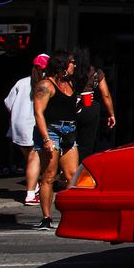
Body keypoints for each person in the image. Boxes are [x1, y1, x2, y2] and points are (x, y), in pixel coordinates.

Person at [30, 52, 80, 231]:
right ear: (62, 65)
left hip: (69, 130)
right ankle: (46, 217)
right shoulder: (45, 85)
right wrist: (46, 139)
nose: (74, 65)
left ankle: (72, 215)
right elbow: (38, 113)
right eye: (71, 63)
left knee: (72, 174)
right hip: (51, 131)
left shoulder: (70, 83)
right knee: (50, 175)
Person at [0, 45, 34, 177]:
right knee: (2, 135)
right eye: (10, 42)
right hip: (0, 105)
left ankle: (18, 163)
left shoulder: (24, 63)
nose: (12, 45)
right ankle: (4, 164)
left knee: (20, 136)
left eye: (14, 42)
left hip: (20, 106)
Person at [5, 54, 45, 205]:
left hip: (18, 125)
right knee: (34, 159)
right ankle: (30, 193)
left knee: (30, 158)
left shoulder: (21, 82)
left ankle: (34, 188)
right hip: (33, 125)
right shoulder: (46, 83)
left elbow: (8, 103)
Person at [72, 50, 116, 163]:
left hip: (72, 107)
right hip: (89, 108)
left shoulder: (70, 71)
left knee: (69, 141)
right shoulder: (96, 72)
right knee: (86, 144)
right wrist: (111, 114)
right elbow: (105, 94)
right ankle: (81, 169)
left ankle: (66, 170)